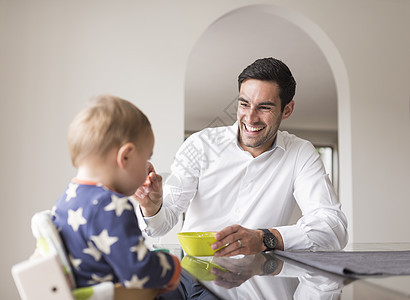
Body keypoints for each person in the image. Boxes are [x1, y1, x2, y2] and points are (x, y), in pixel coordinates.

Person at [135, 57, 348, 257]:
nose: (250, 118)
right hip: (197, 284)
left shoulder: (300, 153)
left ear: (287, 109)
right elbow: (160, 226)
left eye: (264, 107)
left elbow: (333, 228)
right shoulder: (200, 145)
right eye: (244, 104)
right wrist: (152, 207)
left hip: (263, 284)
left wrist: (265, 238)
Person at [52, 95, 181, 291]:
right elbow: (138, 273)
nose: (148, 166)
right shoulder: (110, 204)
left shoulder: (67, 198)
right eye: (147, 157)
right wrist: (172, 265)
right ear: (126, 156)